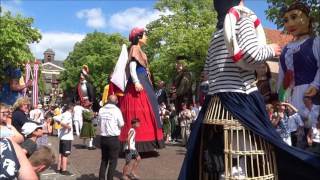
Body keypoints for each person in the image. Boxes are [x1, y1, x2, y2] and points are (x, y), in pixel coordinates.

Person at [179, 1, 320, 180]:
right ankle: (239, 172)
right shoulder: (243, 19)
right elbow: (250, 54)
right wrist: (271, 50)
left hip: (215, 101)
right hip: (240, 96)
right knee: (256, 143)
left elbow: (206, 73)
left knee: (225, 142)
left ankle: (228, 171)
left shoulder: (216, 34)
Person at [119, 27, 164, 152]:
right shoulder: (134, 48)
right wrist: (136, 82)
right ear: (138, 37)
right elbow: (132, 66)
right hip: (138, 82)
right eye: (145, 35)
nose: (146, 37)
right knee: (139, 111)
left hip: (144, 80)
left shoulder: (139, 50)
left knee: (149, 109)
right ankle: (134, 143)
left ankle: (147, 141)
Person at [278, 2, 320, 113]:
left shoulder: (315, 42)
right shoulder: (285, 48)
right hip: (289, 98)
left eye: (294, 17)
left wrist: (316, 85)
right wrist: (281, 94)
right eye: (286, 20)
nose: (290, 23)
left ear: (308, 19)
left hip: (309, 95)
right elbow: (282, 74)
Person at [98, 95, 124, 180]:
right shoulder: (117, 110)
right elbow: (121, 124)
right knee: (113, 161)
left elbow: (98, 122)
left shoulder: (101, 110)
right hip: (113, 138)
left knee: (104, 160)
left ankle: (101, 178)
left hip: (103, 138)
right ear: (116, 101)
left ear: (108, 100)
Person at [54, 103, 74, 176]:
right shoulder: (68, 114)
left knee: (61, 153)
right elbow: (63, 123)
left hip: (62, 137)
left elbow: (55, 118)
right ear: (71, 109)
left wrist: (59, 122)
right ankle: (64, 170)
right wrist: (69, 127)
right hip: (67, 137)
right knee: (65, 154)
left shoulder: (63, 114)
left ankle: (58, 168)